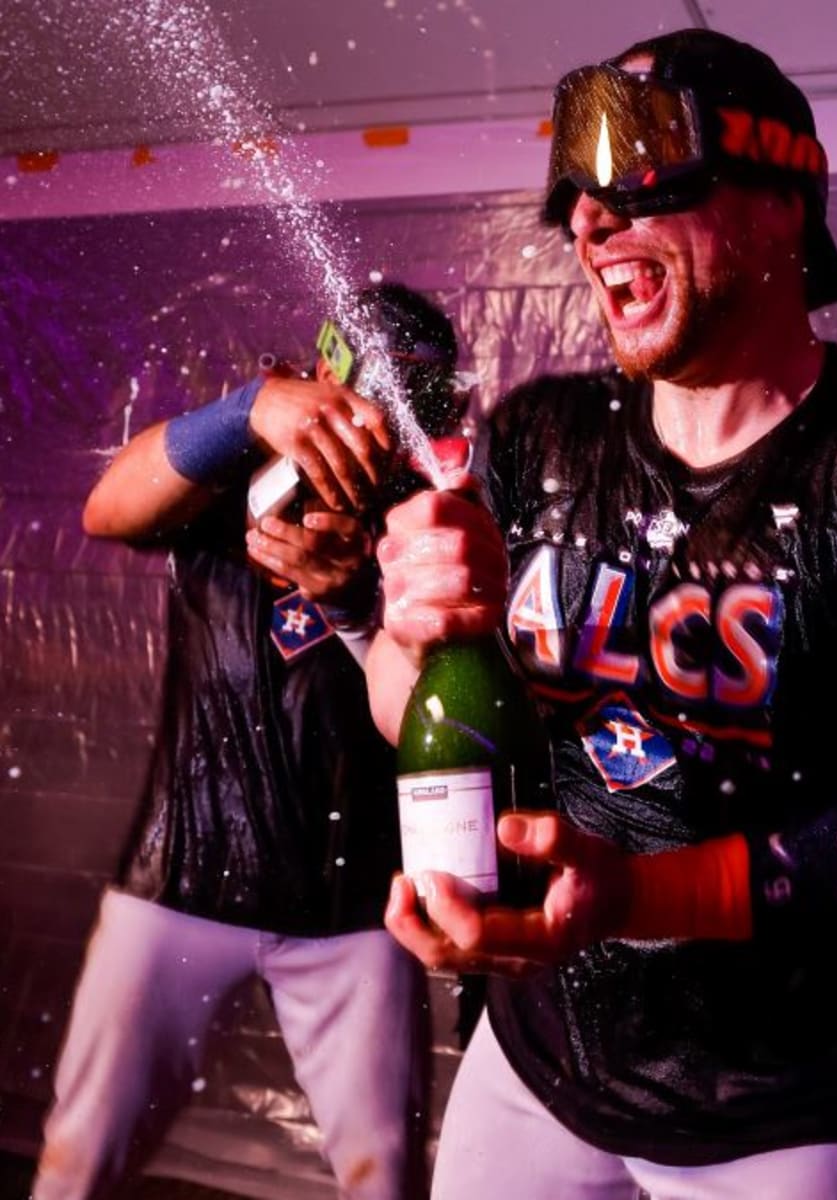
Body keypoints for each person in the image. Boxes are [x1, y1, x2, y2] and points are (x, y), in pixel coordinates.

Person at [367, 29, 837, 1200]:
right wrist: (410, 636)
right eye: (579, 193)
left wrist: (638, 895)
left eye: (641, 176)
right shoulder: (537, 437)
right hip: (539, 1062)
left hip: (794, 1108)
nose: (590, 221)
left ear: (782, 203)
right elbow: (415, 715)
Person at [34, 283, 462, 1200]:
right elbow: (106, 508)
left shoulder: (435, 513)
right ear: (326, 378)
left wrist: (366, 593)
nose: (381, 425)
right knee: (78, 1163)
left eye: (412, 400)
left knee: (380, 1175)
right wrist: (246, 411)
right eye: (370, 393)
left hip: (351, 902)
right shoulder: (235, 469)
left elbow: (449, 707)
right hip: (184, 876)